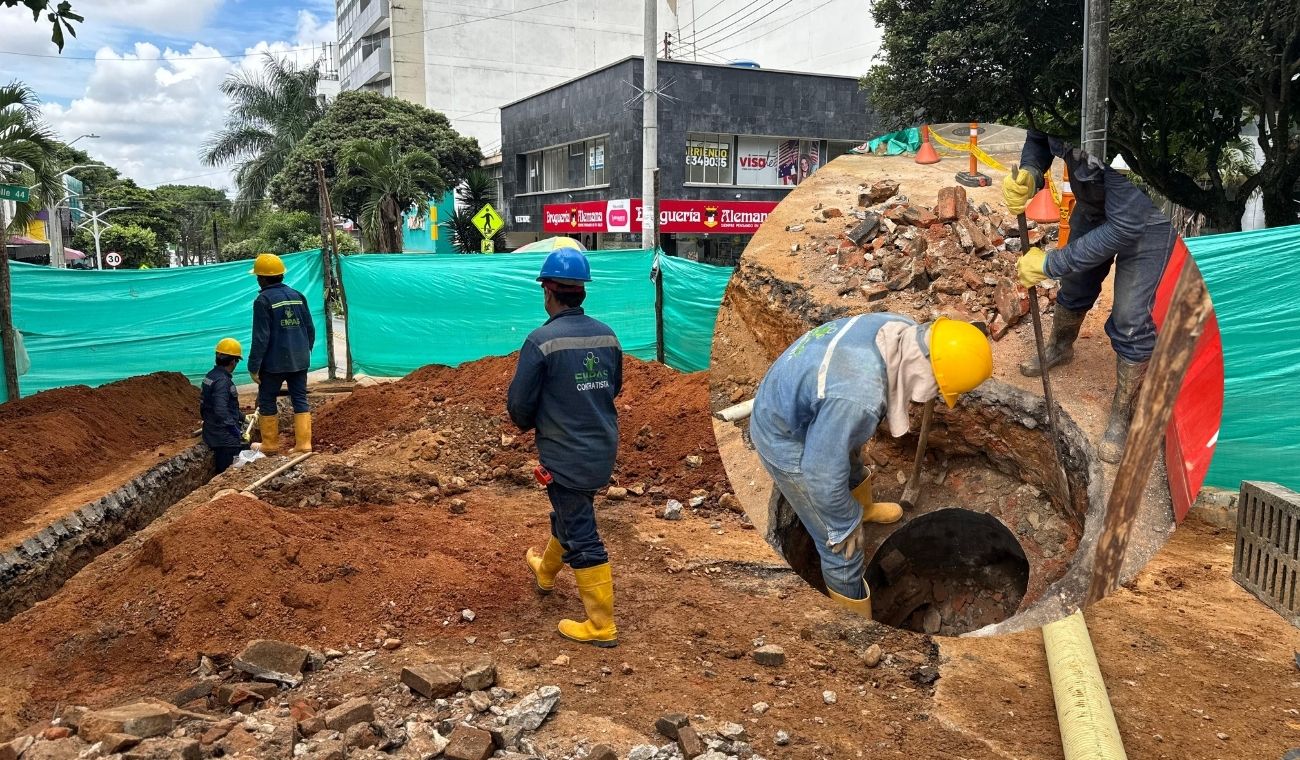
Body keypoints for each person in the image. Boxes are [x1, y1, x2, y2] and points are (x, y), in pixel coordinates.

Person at [749, 314, 993, 619]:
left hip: (810, 405)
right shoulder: (860, 399)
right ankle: (855, 624)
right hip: (784, 435)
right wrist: (843, 524)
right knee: (842, 548)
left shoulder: (901, 329)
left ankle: (863, 510)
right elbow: (820, 473)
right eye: (940, 390)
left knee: (850, 464)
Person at [1003, 128, 1177, 463]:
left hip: (1147, 218)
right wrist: (1031, 172)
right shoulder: (1055, 105)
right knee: (1076, 283)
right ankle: (1060, 347)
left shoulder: (1121, 131)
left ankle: (1122, 414)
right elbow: (1038, 138)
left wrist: (1051, 263)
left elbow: (1126, 224)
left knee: (1130, 316)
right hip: (1094, 204)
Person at [508, 246, 623, 647]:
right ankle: (545, 572)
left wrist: (535, 420)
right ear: (582, 292)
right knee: (570, 512)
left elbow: (520, 406)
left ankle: (601, 625)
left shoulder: (541, 341)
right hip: (601, 448)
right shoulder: (607, 336)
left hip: (564, 454)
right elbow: (613, 388)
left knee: (582, 532)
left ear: (548, 292)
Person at [248, 253, 316, 455]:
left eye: (258, 277)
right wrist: (305, 351)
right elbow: (310, 329)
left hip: (274, 363)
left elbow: (261, 337)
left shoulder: (263, 300)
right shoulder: (298, 296)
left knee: (267, 399)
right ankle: (304, 444)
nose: (257, 280)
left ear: (263, 278)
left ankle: (270, 445)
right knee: (300, 398)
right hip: (300, 359)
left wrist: (253, 366)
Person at [201, 338, 249, 474]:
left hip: (211, 431)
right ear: (233, 361)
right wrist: (234, 430)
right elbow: (221, 409)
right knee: (230, 473)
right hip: (224, 439)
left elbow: (223, 405)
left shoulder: (211, 375)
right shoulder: (223, 381)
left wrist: (243, 417)